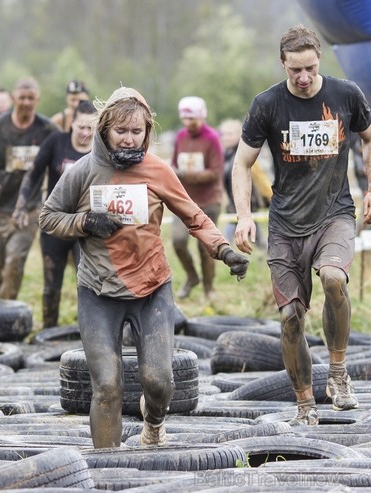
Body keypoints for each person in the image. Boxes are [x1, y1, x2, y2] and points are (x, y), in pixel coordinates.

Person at [39, 87, 249, 448]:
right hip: (98, 291)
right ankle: (107, 470)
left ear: (147, 132)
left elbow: (194, 216)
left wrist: (224, 250)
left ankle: (153, 422)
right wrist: (85, 222)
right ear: (105, 130)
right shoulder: (84, 170)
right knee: (106, 385)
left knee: (159, 381)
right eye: (121, 131)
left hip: (151, 289)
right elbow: (48, 217)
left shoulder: (157, 169)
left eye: (137, 131)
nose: (129, 139)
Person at [232, 24, 371, 426]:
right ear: (282, 64)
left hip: (334, 213)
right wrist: (246, 217)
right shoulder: (267, 104)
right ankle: (304, 405)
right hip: (286, 224)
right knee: (290, 319)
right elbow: (241, 164)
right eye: (294, 70)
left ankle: (338, 373)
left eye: (310, 69)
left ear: (320, 61)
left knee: (334, 278)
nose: (303, 78)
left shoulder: (345, 95)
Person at [13, 100, 97, 329]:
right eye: (81, 127)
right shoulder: (55, 142)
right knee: (51, 282)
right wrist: (21, 205)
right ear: (72, 123)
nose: (85, 133)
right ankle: (49, 329)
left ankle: (91, 333)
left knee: (88, 284)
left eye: (91, 128)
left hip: (87, 226)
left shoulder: (101, 149)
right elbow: (33, 174)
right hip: (56, 223)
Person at [0, 76, 58, 299]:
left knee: (14, 262)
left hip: (28, 209)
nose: (26, 102)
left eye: (31, 98)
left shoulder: (47, 129)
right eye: (22, 97)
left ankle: (3, 315)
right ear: (14, 98)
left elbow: (61, 153)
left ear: (37, 99)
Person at [170, 96, 225, 300]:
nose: (188, 124)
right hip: (184, 200)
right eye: (185, 119)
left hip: (209, 200)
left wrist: (186, 174)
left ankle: (209, 288)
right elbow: (175, 164)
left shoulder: (212, 138)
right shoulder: (180, 137)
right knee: (177, 241)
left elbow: (215, 172)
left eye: (192, 119)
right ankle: (192, 277)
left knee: (205, 248)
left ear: (201, 117)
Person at [219, 118, 271, 246]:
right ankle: (263, 255)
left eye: (230, 134)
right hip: (232, 205)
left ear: (239, 135)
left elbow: (261, 179)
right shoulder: (225, 156)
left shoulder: (247, 156)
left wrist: (272, 198)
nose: (226, 138)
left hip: (248, 204)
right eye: (224, 134)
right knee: (253, 235)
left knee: (232, 236)